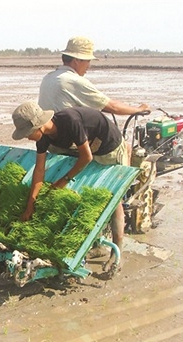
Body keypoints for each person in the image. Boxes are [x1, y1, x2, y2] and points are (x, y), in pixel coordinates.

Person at [11, 101, 130, 275]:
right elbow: (39, 171)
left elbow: (87, 157)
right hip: (87, 148)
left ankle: (116, 252)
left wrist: (64, 179)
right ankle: (96, 245)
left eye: (28, 133)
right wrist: (30, 205)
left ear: (39, 126)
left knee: (113, 198)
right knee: (88, 195)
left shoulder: (70, 121)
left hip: (108, 148)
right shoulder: (44, 138)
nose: (28, 138)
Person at [38, 36, 150, 115]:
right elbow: (113, 107)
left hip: (49, 138)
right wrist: (138, 109)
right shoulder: (74, 81)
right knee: (125, 145)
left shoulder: (48, 77)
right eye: (87, 61)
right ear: (77, 60)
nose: (88, 66)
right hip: (67, 142)